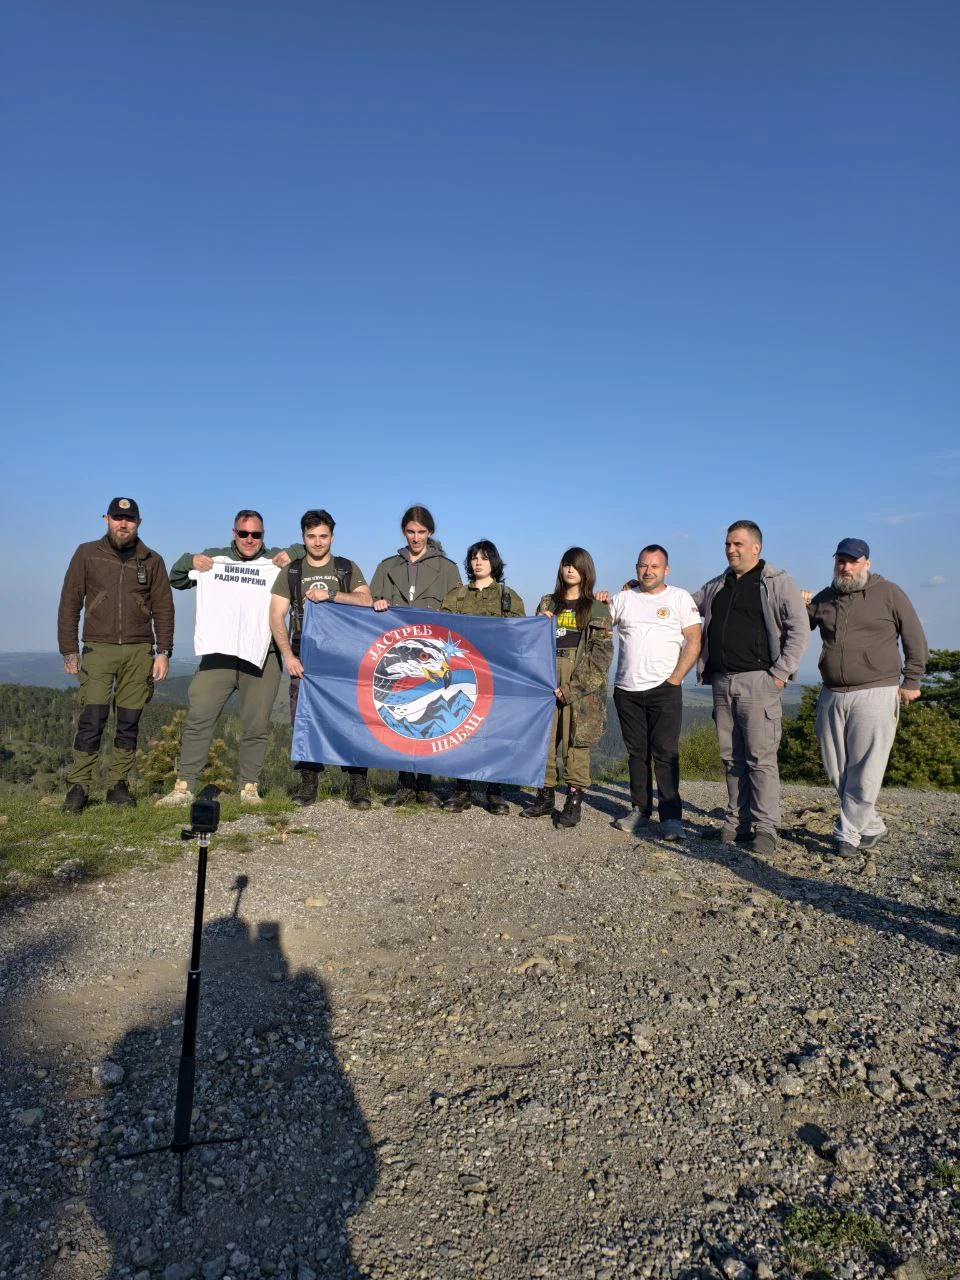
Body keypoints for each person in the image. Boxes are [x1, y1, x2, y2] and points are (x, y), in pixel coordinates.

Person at [156, 511, 302, 807]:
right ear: (234, 533)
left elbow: (310, 555)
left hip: (263, 654)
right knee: (199, 719)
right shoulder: (215, 558)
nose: (249, 539)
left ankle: (249, 787)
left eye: (256, 534)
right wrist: (190, 561)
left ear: (263, 536)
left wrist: (295, 551)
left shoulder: (275, 561)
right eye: (243, 533)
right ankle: (184, 786)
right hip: (218, 653)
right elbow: (176, 578)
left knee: (256, 725)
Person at [692, 521, 809, 856]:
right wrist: (642, 588)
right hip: (721, 680)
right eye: (728, 544)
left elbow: (799, 629)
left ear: (756, 547)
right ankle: (736, 823)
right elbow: (683, 605)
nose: (731, 549)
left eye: (738, 544)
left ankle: (766, 828)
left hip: (759, 680)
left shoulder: (777, 581)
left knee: (760, 757)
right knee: (731, 757)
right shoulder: (718, 584)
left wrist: (780, 674)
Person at [805, 538, 927, 857]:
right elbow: (798, 625)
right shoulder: (826, 597)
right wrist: (798, 603)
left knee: (866, 767)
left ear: (867, 564)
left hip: (876, 689)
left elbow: (914, 636)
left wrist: (912, 679)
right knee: (835, 768)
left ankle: (848, 833)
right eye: (840, 561)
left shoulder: (889, 592)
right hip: (832, 692)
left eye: (852, 561)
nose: (845, 567)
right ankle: (871, 825)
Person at [57, 497, 175, 813]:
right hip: (98, 648)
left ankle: (117, 784)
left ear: (139, 523)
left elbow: (164, 608)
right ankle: (79, 785)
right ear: (106, 519)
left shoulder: (152, 560)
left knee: (128, 721)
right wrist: (69, 649)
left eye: (130, 519)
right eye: (117, 518)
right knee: (92, 718)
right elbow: (70, 602)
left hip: (139, 650)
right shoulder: (86, 554)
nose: (123, 524)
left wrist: (163, 652)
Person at [269, 509, 373, 809]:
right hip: (304, 650)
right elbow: (276, 616)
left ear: (332, 537)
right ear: (303, 537)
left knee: (352, 717)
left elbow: (366, 600)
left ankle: (357, 786)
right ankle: (308, 785)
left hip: (343, 652)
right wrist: (288, 656)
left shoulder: (345, 568)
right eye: (311, 536)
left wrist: (332, 595)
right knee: (304, 717)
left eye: (323, 536)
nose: (317, 542)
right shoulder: (292, 572)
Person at [370, 505, 461, 807]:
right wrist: (376, 603)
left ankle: (425, 786)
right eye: (411, 531)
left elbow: (458, 614)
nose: (416, 537)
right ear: (403, 532)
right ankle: (405, 787)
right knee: (401, 719)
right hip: (396, 654)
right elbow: (369, 604)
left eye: (421, 532)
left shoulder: (448, 569)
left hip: (430, 657)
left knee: (428, 716)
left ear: (430, 532)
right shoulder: (386, 567)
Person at [609, 545, 702, 840]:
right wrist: (598, 600)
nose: (648, 571)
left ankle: (671, 818)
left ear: (666, 569)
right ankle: (639, 810)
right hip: (627, 689)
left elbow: (694, 640)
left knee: (666, 754)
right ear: (636, 567)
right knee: (637, 754)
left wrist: (675, 678)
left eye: (655, 566)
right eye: (643, 565)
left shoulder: (679, 598)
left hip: (665, 689)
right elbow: (598, 626)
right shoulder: (623, 598)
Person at [521, 548, 613, 827]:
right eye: (566, 565)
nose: (570, 570)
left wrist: (573, 688)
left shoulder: (597, 607)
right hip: (547, 677)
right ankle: (545, 797)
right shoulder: (547, 602)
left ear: (586, 570)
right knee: (544, 741)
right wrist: (538, 624)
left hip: (579, 680)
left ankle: (573, 803)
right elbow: (530, 643)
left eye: (576, 565)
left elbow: (601, 655)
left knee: (575, 745)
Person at [440, 539, 526, 815]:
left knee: (495, 733)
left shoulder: (508, 597)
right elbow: (443, 633)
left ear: (494, 562)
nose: (478, 562)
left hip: (497, 677)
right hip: (464, 677)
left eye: (484, 558)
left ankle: (493, 792)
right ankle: (462, 790)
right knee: (462, 730)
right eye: (474, 558)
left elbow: (520, 637)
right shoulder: (456, 596)